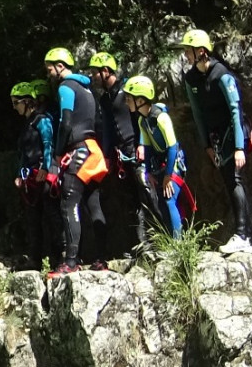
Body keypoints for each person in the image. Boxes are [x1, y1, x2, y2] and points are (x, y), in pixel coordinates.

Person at [179, 28, 252, 256]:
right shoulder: (191, 78)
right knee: (230, 182)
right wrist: (207, 147)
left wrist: (239, 147)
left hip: (233, 133)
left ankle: (243, 236)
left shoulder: (222, 74)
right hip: (216, 140)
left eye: (189, 50)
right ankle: (245, 236)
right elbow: (197, 113)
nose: (186, 55)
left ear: (201, 51)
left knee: (234, 179)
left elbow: (235, 110)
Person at [44, 47, 109, 278]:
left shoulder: (66, 87)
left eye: (49, 68)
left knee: (68, 203)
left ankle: (71, 262)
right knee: (93, 205)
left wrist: (58, 154)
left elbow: (66, 122)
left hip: (78, 151)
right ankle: (101, 259)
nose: (48, 73)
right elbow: (100, 122)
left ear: (60, 66)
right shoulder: (88, 89)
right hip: (93, 151)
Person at [88, 51, 157, 254]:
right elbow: (108, 130)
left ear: (106, 71)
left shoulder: (127, 90)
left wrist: (142, 144)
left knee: (148, 194)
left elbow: (140, 120)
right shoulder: (105, 100)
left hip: (136, 150)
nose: (93, 77)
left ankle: (162, 239)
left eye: (95, 73)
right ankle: (140, 243)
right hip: (120, 156)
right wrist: (107, 156)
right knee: (129, 200)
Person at [123, 76, 192, 239]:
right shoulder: (143, 120)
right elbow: (147, 147)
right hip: (161, 165)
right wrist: (149, 173)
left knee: (169, 200)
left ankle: (179, 245)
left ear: (140, 100)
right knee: (161, 202)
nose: (126, 102)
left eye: (129, 98)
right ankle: (172, 240)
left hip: (174, 162)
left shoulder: (161, 117)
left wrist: (168, 176)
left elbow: (172, 146)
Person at [10, 79, 62, 269]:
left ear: (27, 101)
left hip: (42, 174)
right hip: (29, 177)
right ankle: (35, 259)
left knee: (51, 215)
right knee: (33, 218)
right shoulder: (27, 124)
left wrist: (46, 168)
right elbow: (23, 153)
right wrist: (19, 174)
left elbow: (49, 144)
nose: (14, 107)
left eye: (16, 103)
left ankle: (58, 258)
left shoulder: (43, 120)